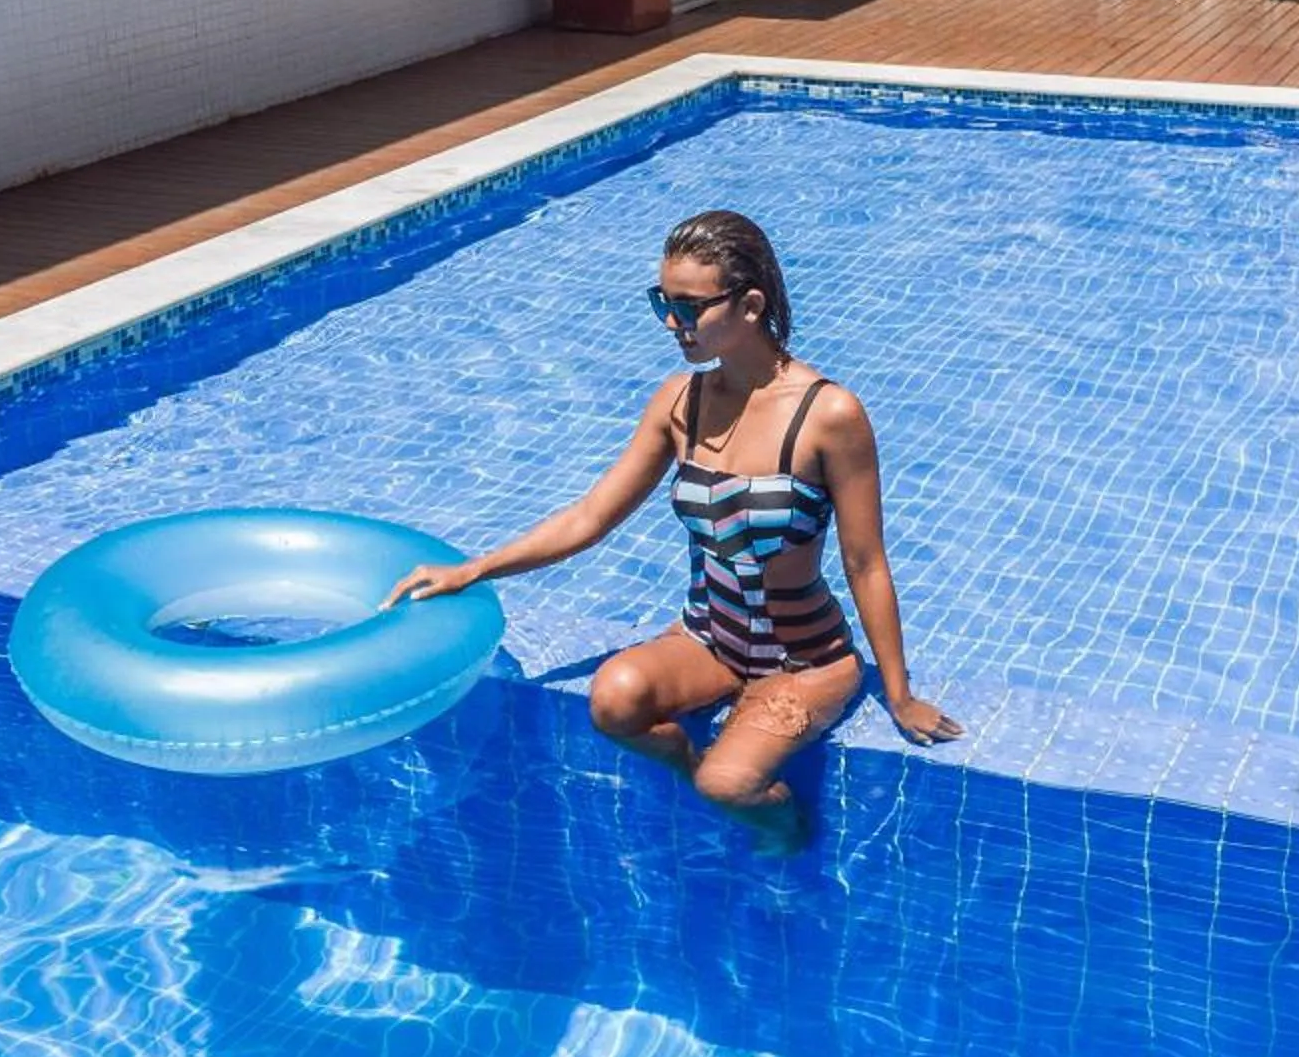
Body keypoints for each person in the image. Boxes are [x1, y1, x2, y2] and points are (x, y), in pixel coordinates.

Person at [387, 209, 960, 845]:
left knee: (732, 783)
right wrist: (473, 569)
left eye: (689, 306)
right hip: (709, 639)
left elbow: (865, 563)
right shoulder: (679, 401)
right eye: (663, 300)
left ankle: (789, 835)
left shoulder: (828, 415)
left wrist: (900, 694)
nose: (671, 322)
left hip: (803, 660)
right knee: (615, 700)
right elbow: (591, 516)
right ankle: (697, 773)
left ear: (749, 306)